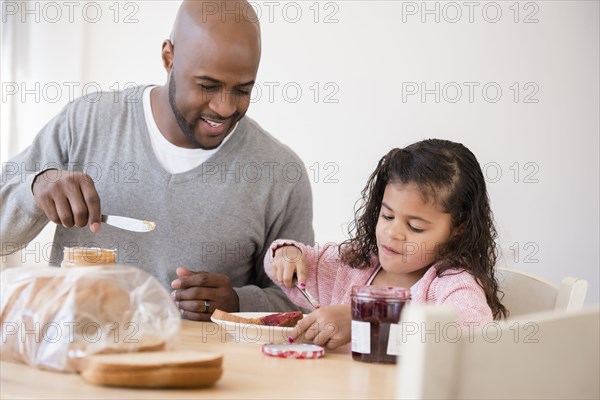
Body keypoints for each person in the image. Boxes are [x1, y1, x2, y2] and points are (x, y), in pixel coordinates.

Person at [0, 0, 314, 320]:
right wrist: (35, 188)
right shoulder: (86, 123)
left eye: (242, 90)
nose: (224, 107)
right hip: (74, 361)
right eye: (208, 86)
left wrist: (238, 303)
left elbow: (303, 302)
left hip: (198, 369)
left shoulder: (280, 175)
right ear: (169, 57)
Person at [265, 139, 507, 349]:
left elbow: (471, 332)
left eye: (415, 227)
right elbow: (290, 264)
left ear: (457, 229)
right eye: (388, 216)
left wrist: (363, 318)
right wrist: (287, 254)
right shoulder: (355, 263)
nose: (393, 232)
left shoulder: (452, 283)